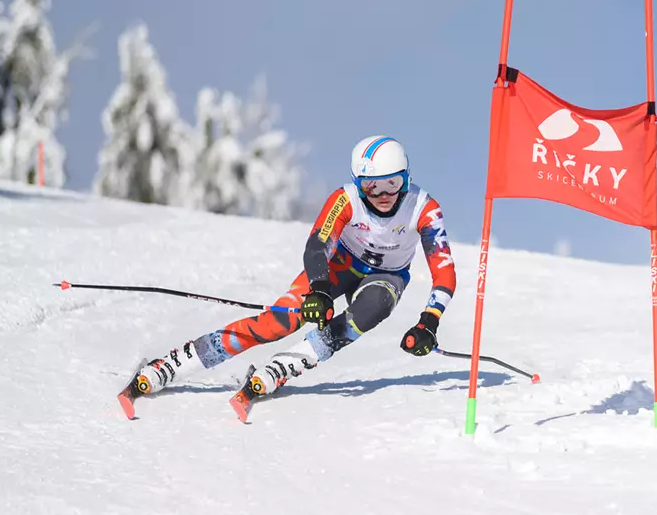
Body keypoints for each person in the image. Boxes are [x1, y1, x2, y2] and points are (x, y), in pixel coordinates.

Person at [119, 135, 457, 420]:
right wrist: (320, 290)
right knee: (277, 324)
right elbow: (318, 245)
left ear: (406, 179)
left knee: (372, 307)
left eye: (393, 184)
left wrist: (429, 321)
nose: (383, 195)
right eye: (372, 187)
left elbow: (444, 271)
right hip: (337, 266)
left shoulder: (423, 209)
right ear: (358, 185)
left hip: (386, 275)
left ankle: (287, 365)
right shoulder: (345, 200)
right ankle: (177, 362)